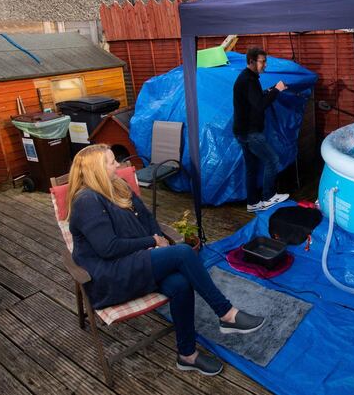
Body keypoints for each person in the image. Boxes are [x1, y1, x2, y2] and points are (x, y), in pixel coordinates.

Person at [67, 144, 265, 377]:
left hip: (136, 260)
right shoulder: (86, 201)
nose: (118, 165)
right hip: (111, 275)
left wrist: (157, 237)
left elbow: (148, 218)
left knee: (180, 284)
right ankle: (226, 313)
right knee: (182, 252)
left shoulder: (118, 185)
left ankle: (187, 355)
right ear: (97, 169)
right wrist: (151, 241)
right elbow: (108, 248)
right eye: (112, 162)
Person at [233, 47, 290, 212]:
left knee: (251, 167)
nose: (265, 65)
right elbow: (260, 105)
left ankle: (253, 202)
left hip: (242, 131)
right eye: (262, 61)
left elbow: (255, 99)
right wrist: (277, 91)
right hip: (250, 133)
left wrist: (271, 89)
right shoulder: (248, 80)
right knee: (272, 160)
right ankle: (268, 197)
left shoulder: (248, 78)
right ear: (251, 61)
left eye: (265, 61)